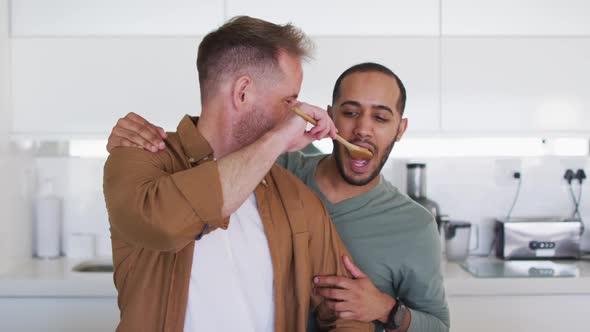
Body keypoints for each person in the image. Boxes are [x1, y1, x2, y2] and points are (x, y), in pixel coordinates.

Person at [107, 62, 450, 332]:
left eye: (380, 117)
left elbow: (437, 326)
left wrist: (388, 310)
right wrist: (133, 142)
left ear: (400, 129)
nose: (362, 128)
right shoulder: (279, 166)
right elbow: (222, 142)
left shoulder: (415, 225)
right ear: (330, 116)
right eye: (349, 112)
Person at [103, 16, 374, 332]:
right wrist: (277, 140)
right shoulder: (139, 158)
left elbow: (348, 313)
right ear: (243, 92)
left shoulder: (296, 196)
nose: (296, 113)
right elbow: (162, 225)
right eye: (289, 100)